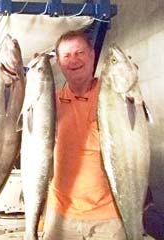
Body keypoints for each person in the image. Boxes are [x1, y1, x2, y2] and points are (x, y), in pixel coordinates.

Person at [42, 29, 126, 239]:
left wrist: (125, 77)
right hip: (60, 213)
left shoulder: (113, 94)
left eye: (79, 52)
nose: (74, 60)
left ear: (92, 55)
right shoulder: (49, 102)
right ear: (60, 64)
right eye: (67, 55)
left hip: (110, 215)